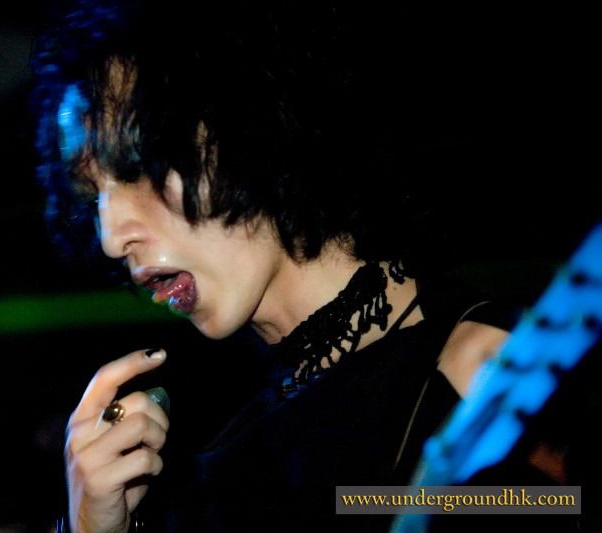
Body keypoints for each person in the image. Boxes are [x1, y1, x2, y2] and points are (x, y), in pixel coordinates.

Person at [30, 1, 567, 531]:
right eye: (91, 197)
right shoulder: (205, 469)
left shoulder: (487, 373)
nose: (110, 237)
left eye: (137, 165)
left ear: (253, 123)